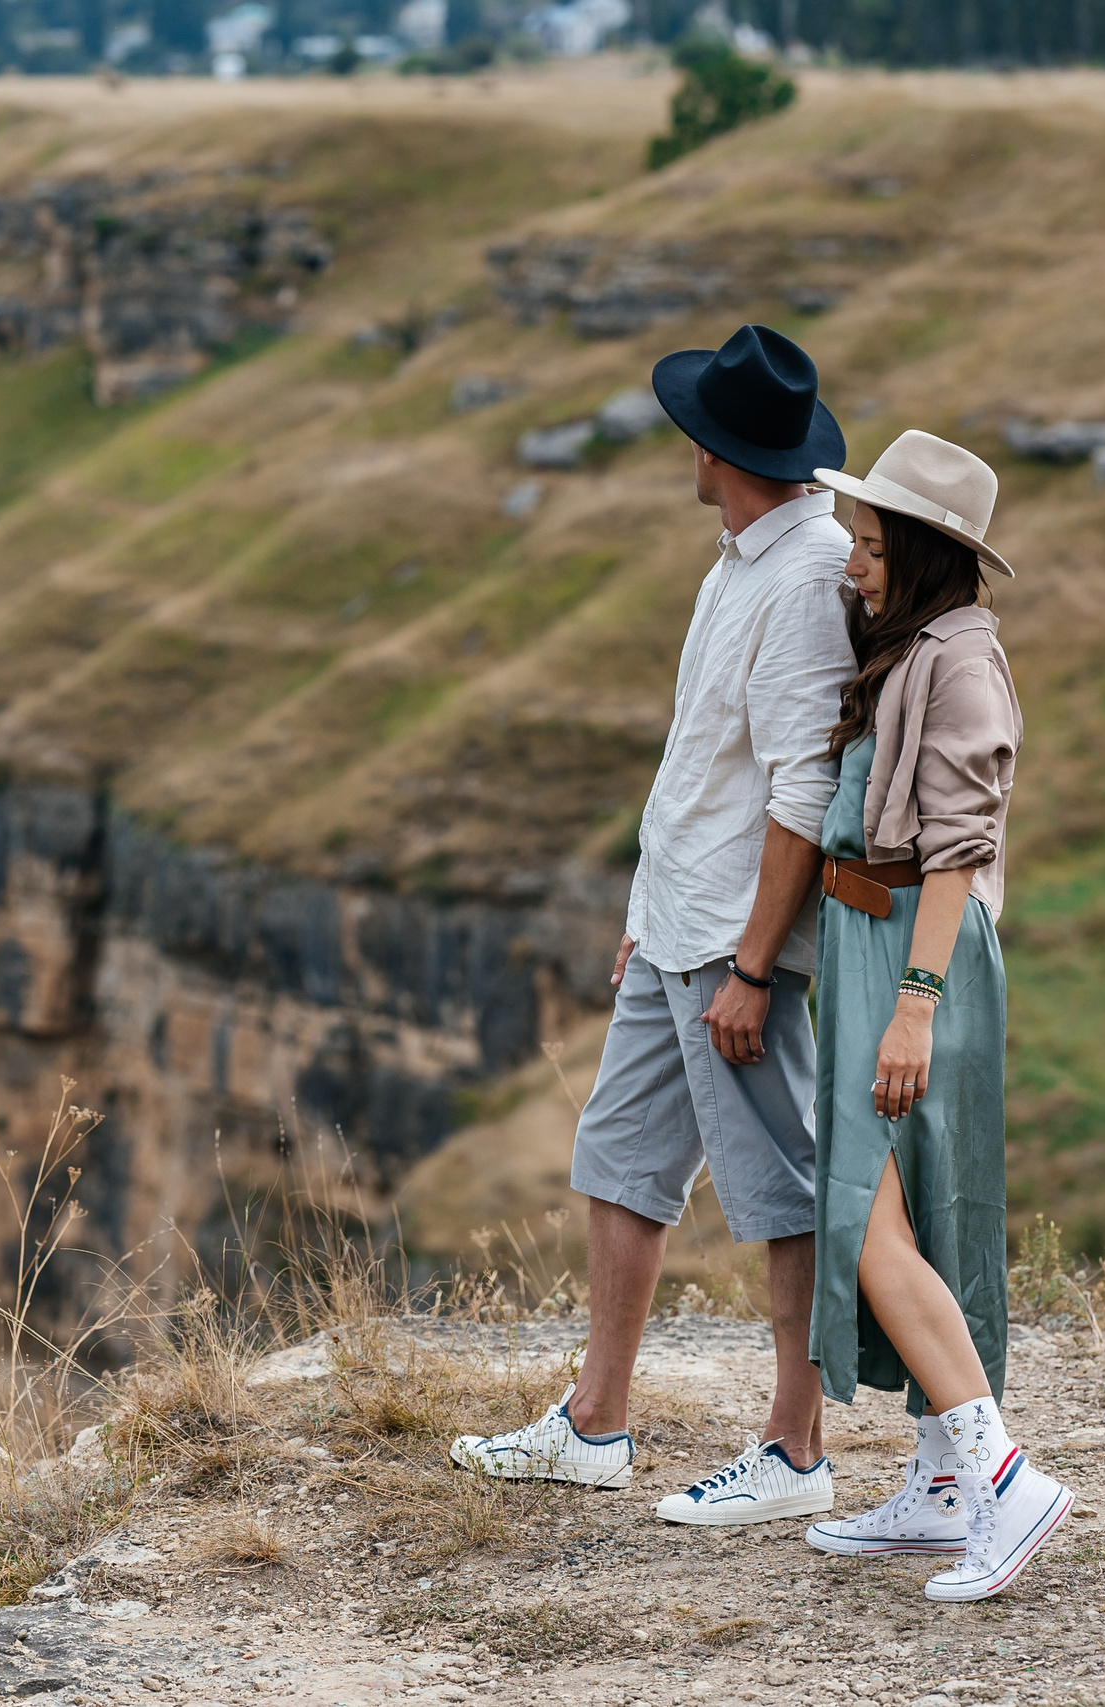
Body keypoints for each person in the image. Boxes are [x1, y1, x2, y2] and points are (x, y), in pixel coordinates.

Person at [449, 324, 855, 1527]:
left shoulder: (802, 579)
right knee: (620, 1161)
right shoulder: (740, 559)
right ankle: (593, 1423)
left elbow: (799, 793)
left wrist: (752, 965)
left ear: (711, 449)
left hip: (734, 946)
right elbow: (698, 764)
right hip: (675, 923)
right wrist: (643, 909)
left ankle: (795, 1450)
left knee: (775, 1189)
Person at [793, 430, 1070, 1602]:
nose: (849, 563)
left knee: (865, 1219)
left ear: (914, 551)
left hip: (918, 952)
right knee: (898, 1217)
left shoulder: (962, 663)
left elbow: (959, 849)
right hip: (868, 940)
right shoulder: (907, 642)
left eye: (865, 545)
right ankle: (941, 1489)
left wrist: (913, 1007)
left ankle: (1001, 1477)